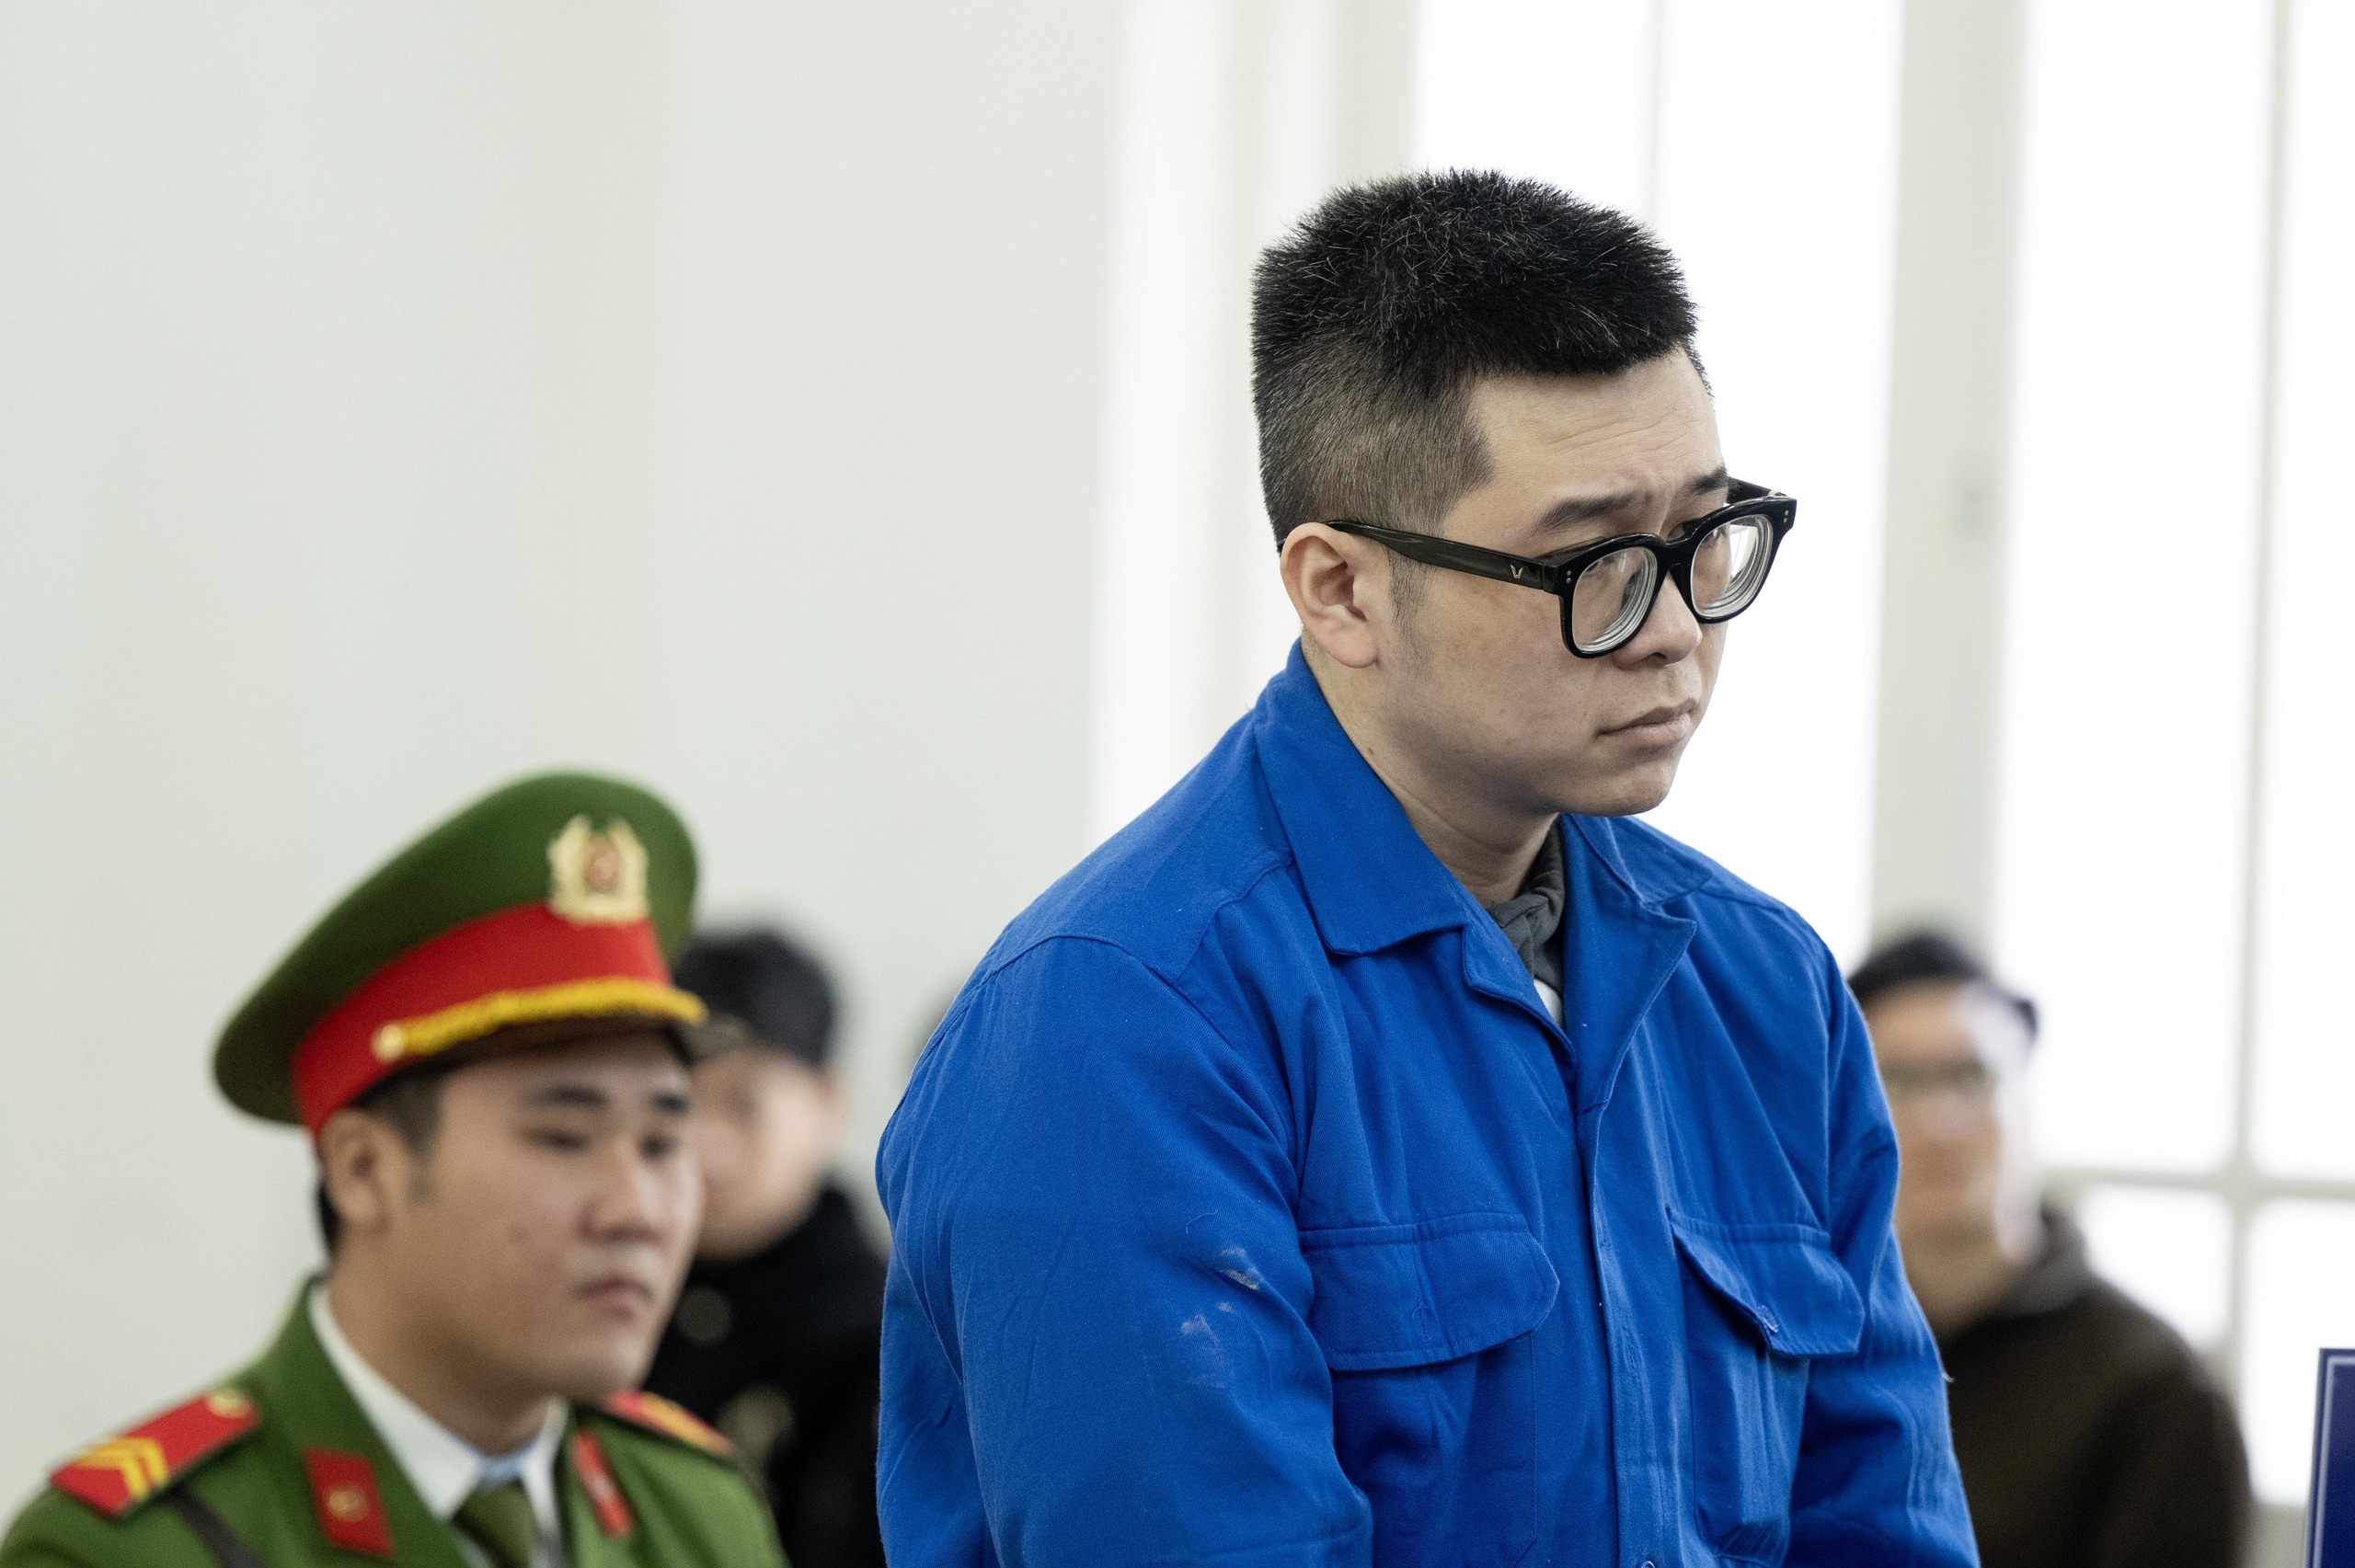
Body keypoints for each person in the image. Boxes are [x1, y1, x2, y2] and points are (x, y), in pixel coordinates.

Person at [877, 171, 1976, 1568]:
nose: (1673, 629)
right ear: (1340, 590)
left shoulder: (1763, 986)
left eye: (1706, 534)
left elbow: (1881, 1527)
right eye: (1594, 563)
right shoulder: (1123, 1021)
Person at [2, 773, 785, 1568]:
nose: (638, 1211)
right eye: (562, 1137)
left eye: (662, 1143)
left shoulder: (699, 1514)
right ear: (362, 1168)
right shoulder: (128, 1550)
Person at [1850, 933, 2252, 1568]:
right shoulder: (1801, 1347)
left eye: (1972, 1075)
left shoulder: (2154, 1385)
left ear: (2028, 1104)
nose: (1938, 1121)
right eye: (1894, 1081)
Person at [643, 930, 887, 1568]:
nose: (705, 1147)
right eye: (678, 1104)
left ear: (828, 1105)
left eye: (744, 1106)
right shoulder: (617, 1297)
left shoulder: (881, 1333)